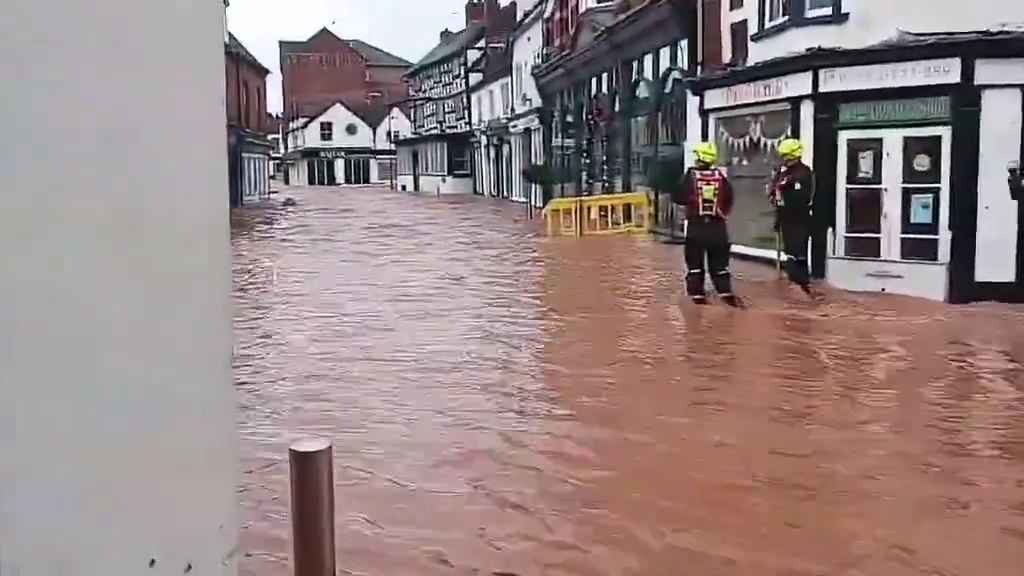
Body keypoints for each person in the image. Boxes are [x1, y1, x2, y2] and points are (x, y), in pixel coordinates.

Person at [674, 142, 740, 306]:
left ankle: (697, 298)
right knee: (720, 267)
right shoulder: (721, 178)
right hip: (718, 229)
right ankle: (726, 295)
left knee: (695, 266)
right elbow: (729, 200)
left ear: (699, 158)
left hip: (696, 228)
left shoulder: (690, 176)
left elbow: (677, 196)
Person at [770, 138, 816, 295]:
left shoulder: (803, 173)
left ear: (794, 156)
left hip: (800, 219)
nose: (784, 160)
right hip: (785, 219)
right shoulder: (782, 172)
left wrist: (785, 188)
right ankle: (793, 283)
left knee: (798, 252)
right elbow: (774, 191)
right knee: (789, 251)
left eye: (786, 156)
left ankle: (802, 284)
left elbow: (801, 198)